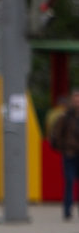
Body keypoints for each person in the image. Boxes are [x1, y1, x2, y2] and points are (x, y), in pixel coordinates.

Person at [51, 90, 79, 220]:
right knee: (69, 181)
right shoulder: (66, 116)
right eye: (75, 98)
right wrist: (62, 148)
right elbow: (56, 134)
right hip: (70, 154)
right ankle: (67, 210)